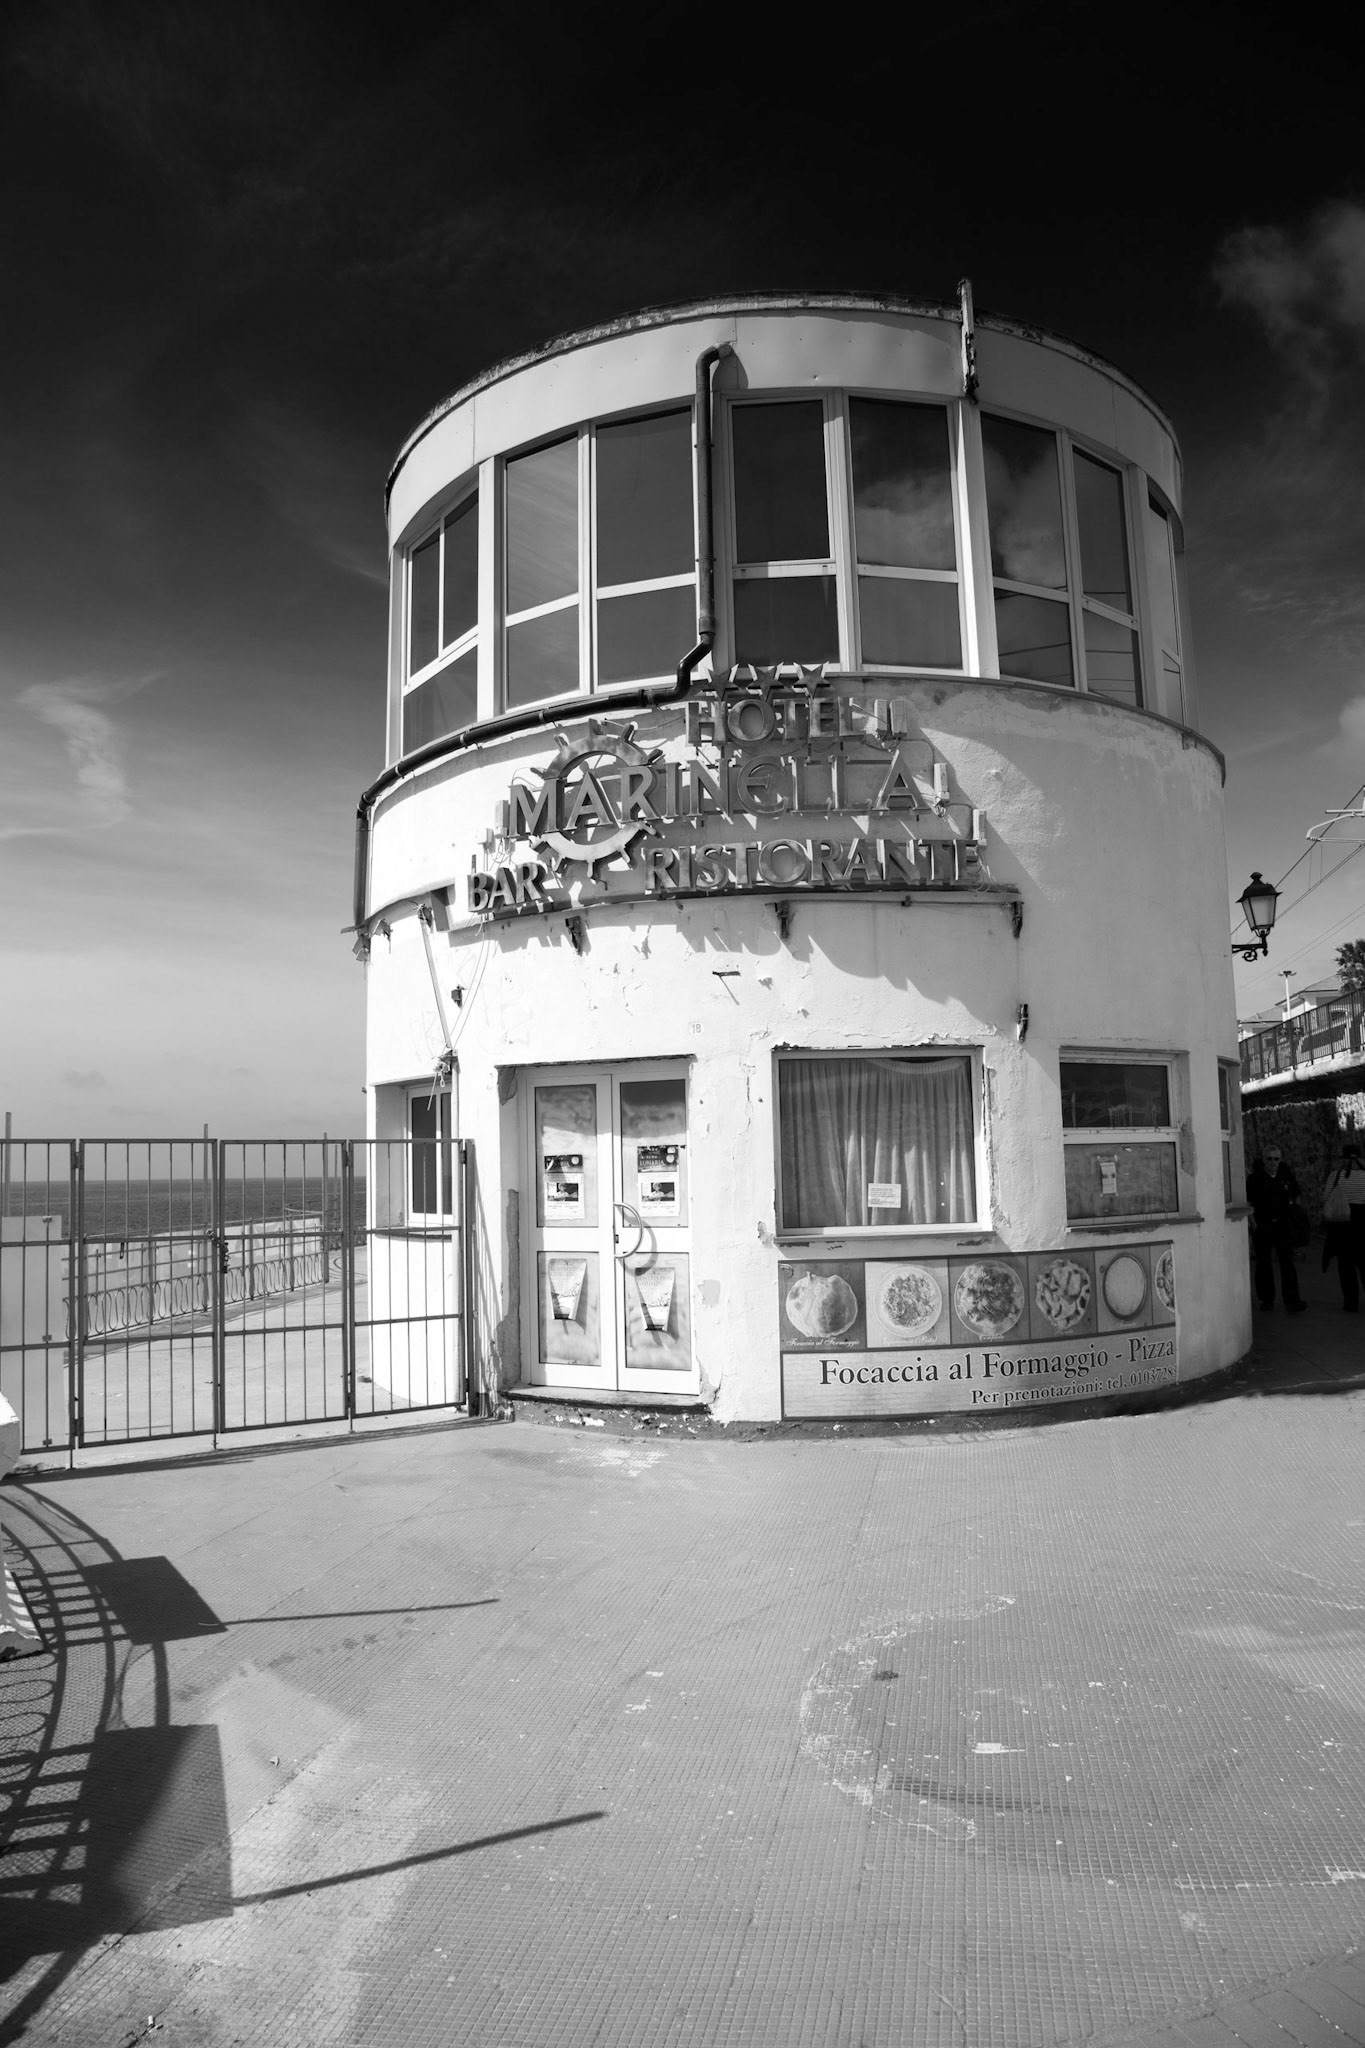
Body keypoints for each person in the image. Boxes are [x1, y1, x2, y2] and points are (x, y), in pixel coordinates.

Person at [1246, 1145, 1306, 1312]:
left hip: (1283, 1225)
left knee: (1287, 1263)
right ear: (1264, 1159)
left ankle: (1292, 1300)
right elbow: (1248, 1203)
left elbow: (1296, 1195)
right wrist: (1254, 1225)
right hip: (1262, 1225)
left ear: (1280, 1159)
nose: (1273, 1162)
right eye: (1269, 1159)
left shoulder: (1285, 1176)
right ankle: (1267, 1299)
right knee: (1263, 1264)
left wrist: (1294, 1215)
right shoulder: (1254, 1178)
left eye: (1276, 1159)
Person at [1319, 1143, 1365, 1311]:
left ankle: (1351, 1303)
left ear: (1344, 1159)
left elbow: (1325, 1199)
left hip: (1342, 1228)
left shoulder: (1335, 1176)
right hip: (1363, 1227)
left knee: (1346, 1267)